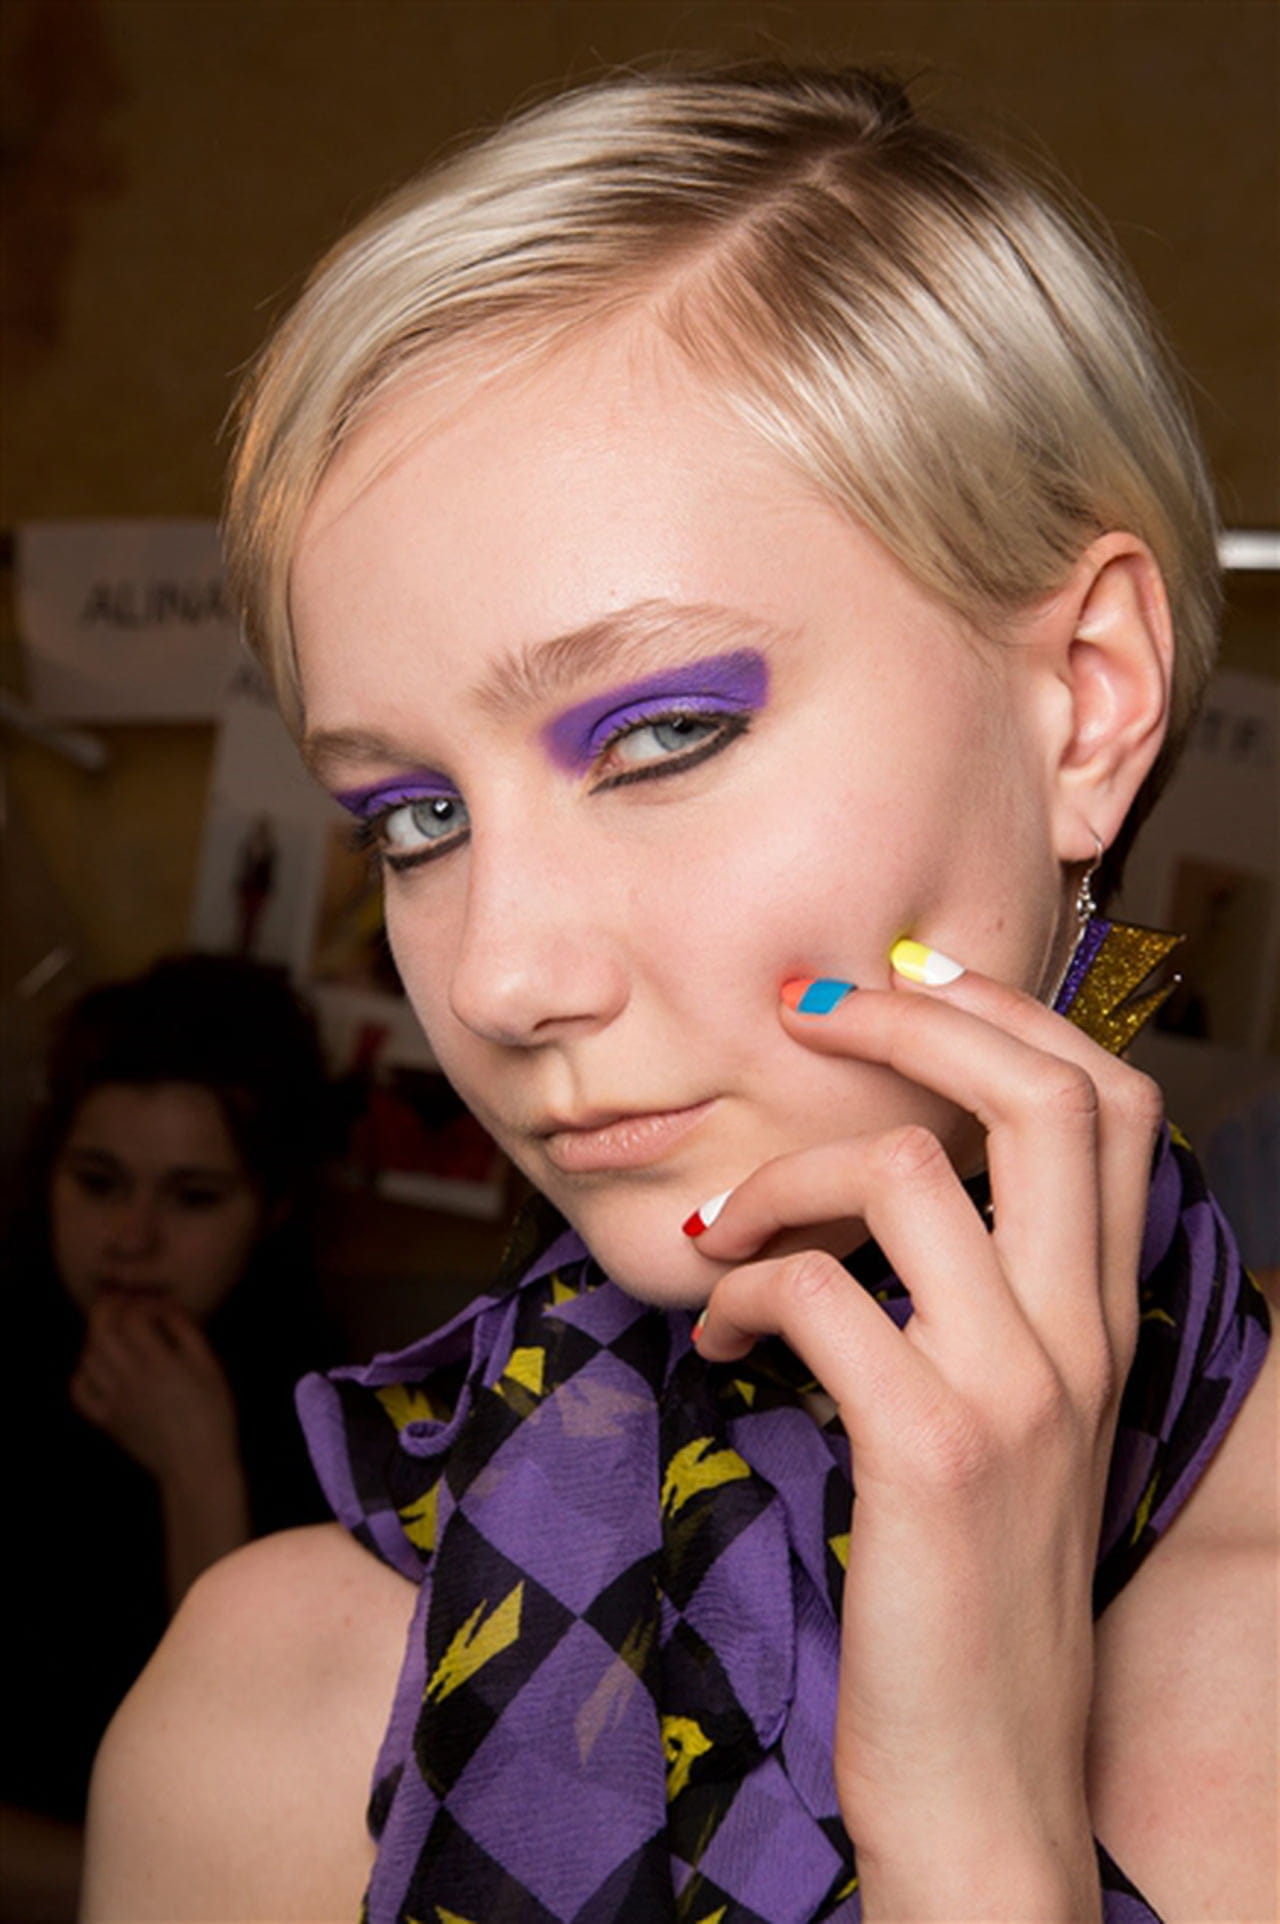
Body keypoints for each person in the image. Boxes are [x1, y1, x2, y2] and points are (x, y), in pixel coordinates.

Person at [82, 64, 1274, 1923]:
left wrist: (981, 1818)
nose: (502, 976)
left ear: (1086, 699)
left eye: (662, 735)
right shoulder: (267, 1707)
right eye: (413, 816)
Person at [2, 954, 332, 1920]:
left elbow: (265, 1787)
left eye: (193, 1198)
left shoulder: (335, 1421)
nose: (131, 1237)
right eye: (98, 1182)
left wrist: (197, 1473)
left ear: (270, 1209)